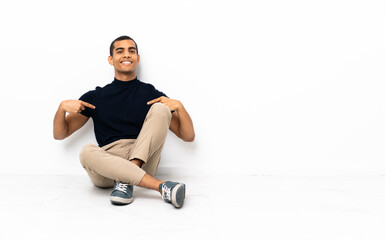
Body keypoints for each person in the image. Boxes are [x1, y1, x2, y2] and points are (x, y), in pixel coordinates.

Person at [53, 36, 195, 208]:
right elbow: (61, 134)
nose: (126, 55)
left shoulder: (150, 94)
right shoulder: (95, 97)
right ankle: (160, 186)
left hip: (143, 161)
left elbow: (187, 136)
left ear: (137, 58)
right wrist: (61, 109)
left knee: (161, 108)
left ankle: (126, 180)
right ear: (111, 59)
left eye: (131, 51)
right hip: (107, 169)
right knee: (86, 152)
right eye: (120, 51)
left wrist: (180, 106)